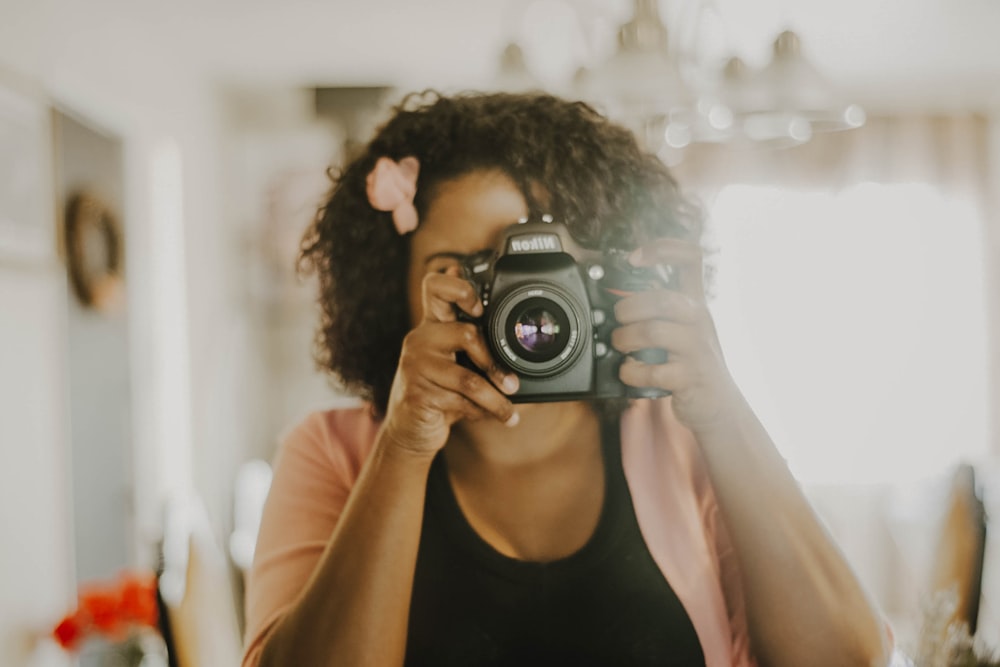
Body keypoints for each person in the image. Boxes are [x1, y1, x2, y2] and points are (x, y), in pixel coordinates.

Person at [241, 91, 892, 667]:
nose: (515, 305)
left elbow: (848, 657)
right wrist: (404, 446)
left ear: (601, 281)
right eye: (469, 272)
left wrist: (721, 411)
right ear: (392, 291)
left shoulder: (684, 439)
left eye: (546, 270)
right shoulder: (334, 452)